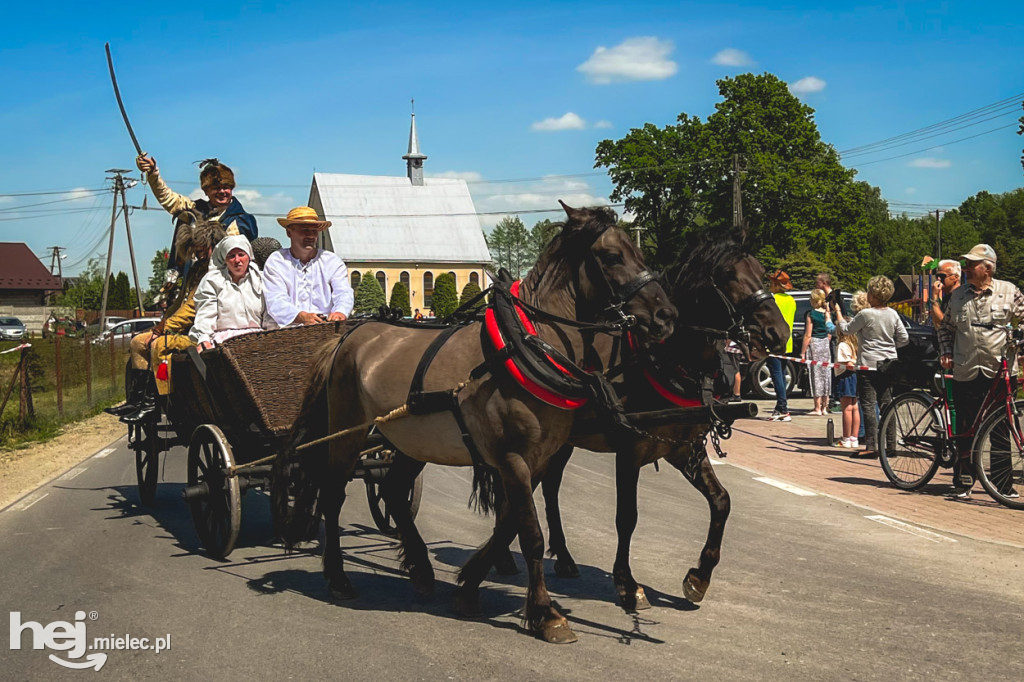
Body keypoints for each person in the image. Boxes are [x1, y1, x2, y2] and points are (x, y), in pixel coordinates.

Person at [112, 220, 224, 423]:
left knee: (158, 345)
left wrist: (163, 329)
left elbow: (191, 310)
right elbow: (180, 303)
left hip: (201, 334)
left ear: (214, 246)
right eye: (196, 250)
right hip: (185, 330)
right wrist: (161, 324)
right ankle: (139, 402)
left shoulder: (215, 272)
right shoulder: (197, 270)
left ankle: (163, 403)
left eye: (202, 250)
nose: (198, 254)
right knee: (138, 342)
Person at [937, 244, 1024, 499]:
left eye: (971, 264)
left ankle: (1002, 484)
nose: (966, 268)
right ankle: (964, 480)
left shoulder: (1009, 292)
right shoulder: (958, 296)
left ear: (987, 268)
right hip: (966, 368)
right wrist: (946, 352)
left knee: (1002, 428)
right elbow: (945, 328)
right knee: (966, 425)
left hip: (1000, 370)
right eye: (965, 264)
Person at [135, 155, 258, 286]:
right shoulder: (195, 211)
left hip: (230, 285)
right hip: (196, 283)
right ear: (206, 191)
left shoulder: (244, 221)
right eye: (216, 188)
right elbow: (168, 198)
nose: (222, 191)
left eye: (226, 187)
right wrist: (153, 173)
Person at [835, 276, 908, 458]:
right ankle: (890, 445)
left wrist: (838, 316)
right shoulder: (892, 314)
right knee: (887, 404)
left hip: (868, 364)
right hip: (889, 363)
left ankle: (872, 446)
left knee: (868, 405)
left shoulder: (865, 314)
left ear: (873, 295)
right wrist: (890, 347)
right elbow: (904, 338)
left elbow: (847, 330)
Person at [263, 206, 354, 326]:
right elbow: (275, 300)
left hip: (326, 329)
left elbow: (343, 292)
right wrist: (301, 317)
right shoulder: (277, 261)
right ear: (289, 233)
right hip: (286, 332)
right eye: (305, 230)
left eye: (314, 231)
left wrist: (340, 312)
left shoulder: (331, 261)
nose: (311, 236)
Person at [190, 236, 275, 350]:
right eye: (231, 256)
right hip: (223, 343)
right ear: (224, 259)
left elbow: (270, 314)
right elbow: (206, 314)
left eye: (241, 254)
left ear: (249, 256)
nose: (237, 260)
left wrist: (272, 337)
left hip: (258, 341)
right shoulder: (212, 281)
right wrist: (204, 338)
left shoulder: (262, 279)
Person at [767, 270, 796, 422]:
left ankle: (783, 408)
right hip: (788, 342)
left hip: (774, 342)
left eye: (771, 283)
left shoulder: (772, 300)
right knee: (782, 374)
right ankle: (780, 407)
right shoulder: (791, 300)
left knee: (777, 374)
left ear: (776, 285)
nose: (769, 285)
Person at [800, 288, 833, 416]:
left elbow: (808, 335)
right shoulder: (827, 313)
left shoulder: (811, 314)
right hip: (825, 344)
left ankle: (817, 407)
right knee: (826, 375)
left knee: (816, 375)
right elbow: (829, 333)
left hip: (814, 344)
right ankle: (825, 407)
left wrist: (803, 352)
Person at [833, 327, 860, 448]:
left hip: (845, 376)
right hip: (855, 376)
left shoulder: (842, 345)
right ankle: (854, 437)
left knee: (847, 408)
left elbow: (846, 363)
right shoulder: (855, 344)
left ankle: (846, 438)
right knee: (855, 407)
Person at [929, 259, 962, 328]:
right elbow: (936, 325)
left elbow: (944, 324)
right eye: (937, 276)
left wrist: (934, 297)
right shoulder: (947, 297)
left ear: (955, 277)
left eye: (942, 276)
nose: (939, 279)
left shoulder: (960, 297)